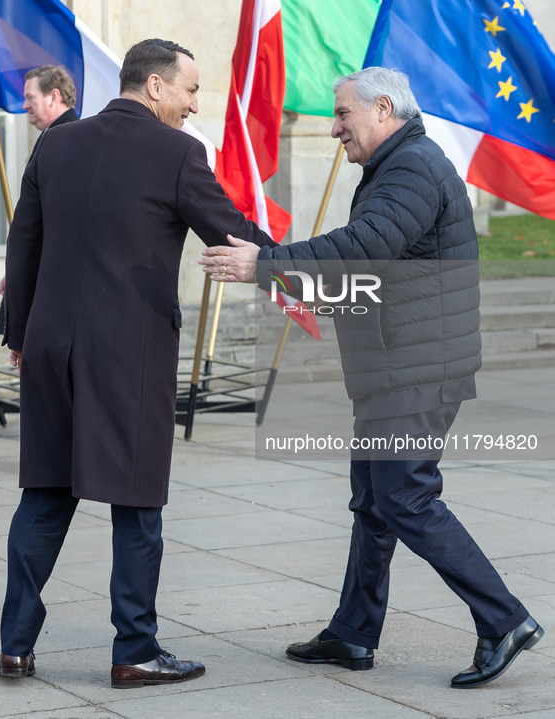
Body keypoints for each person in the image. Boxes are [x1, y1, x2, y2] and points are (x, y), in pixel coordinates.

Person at [199, 67, 543, 688]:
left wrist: (267, 265)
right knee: (374, 504)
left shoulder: (411, 168)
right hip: (397, 369)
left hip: (416, 371)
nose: (334, 129)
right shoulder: (399, 167)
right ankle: (353, 633)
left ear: (383, 109)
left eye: (342, 115)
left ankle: (504, 620)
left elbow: (365, 248)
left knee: (404, 498)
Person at [0, 39, 274, 688]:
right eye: (189, 89)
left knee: (43, 495)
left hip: (49, 346)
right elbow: (230, 232)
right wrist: (310, 266)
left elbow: (23, 245)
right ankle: (135, 649)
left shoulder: (55, 146)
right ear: (154, 87)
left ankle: (14, 645)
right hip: (130, 352)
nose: (194, 103)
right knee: (137, 504)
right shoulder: (177, 152)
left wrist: (21, 333)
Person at [0, 65, 79, 332]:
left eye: (30, 98)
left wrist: (23, 271)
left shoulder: (68, 139)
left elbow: (55, 221)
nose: (24, 105)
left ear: (54, 96)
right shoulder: (53, 137)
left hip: (53, 287)